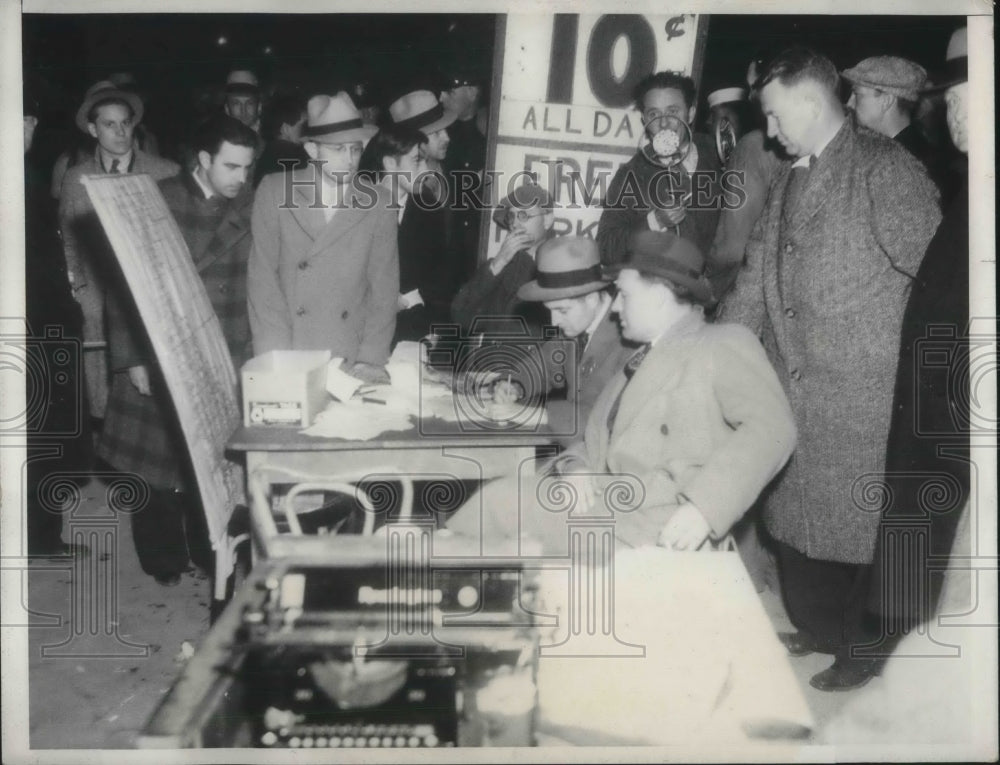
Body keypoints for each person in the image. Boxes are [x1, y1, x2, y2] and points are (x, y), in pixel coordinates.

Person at [719, 47, 942, 692]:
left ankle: (869, 650)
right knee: (801, 519)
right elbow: (757, 278)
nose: (769, 129)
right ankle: (819, 626)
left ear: (811, 104)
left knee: (864, 529)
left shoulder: (884, 170)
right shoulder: (791, 174)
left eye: (775, 114)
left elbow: (937, 281)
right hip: (797, 383)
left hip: (866, 393)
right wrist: (725, 353)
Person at [445, 230, 796, 556]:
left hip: (654, 525)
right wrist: (577, 468)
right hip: (611, 504)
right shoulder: (644, 355)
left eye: (624, 295)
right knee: (495, 502)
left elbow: (774, 428)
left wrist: (705, 508)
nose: (614, 307)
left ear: (659, 296)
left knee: (495, 510)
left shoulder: (722, 342)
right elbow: (595, 438)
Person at [96, 114, 257, 586]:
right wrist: (132, 359)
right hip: (160, 351)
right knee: (156, 468)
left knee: (213, 465)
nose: (241, 179)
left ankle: (212, 554)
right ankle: (162, 560)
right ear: (203, 160)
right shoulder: (156, 201)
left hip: (222, 346)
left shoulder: (251, 205)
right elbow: (120, 286)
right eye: (231, 166)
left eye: (247, 168)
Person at [866, 26, 971, 658]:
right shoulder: (969, 181)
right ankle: (898, 645)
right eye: (950, 96)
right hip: (933, 397)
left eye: (963, 94)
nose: (949, 108)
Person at [247, 92, 399, 384]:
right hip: (291, 349)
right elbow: (262, 281)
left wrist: (371, 357)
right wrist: (275, 358)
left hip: (349, 356)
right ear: (313, 151)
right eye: (338, 149)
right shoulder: (274, 190)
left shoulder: (379, 201)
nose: (350, 160)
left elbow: (384, 287)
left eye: (355, 149)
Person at [59, 80, 179, 424]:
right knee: (102, 393)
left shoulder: (166, 172)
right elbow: (68, 239)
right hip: (97, 298)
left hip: (150, 298)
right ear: (93, 130)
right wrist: (78, 289)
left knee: (151, 399)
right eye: (109, 125)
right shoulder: (76, 179)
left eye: (125, 122)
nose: (120, 132)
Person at [24, 86, 92, 558]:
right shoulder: (19, 179)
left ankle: (37, 535)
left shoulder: (24, 174)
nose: (29, 130)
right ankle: (40, 538)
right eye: (22, 121)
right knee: (43, 437)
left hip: (37, 326)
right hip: (37, 330)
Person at [501, 236, 637, 444]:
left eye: (562, 310)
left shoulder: (629, 341)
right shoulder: (574, 331)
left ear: (592, 299)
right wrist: (512, 385)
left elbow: (603, 424)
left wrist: (539, 415)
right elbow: (540, 367)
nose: (555, 322)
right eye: (551, 311)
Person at [597, 71, 722, 269]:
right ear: (644, 121)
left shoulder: (718, 156)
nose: (664, 123)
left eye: (673, 112)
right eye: (654, 114)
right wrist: (654, 221)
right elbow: (606, 248)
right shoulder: (631, 174)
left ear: (690, 114)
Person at [383, 90, 459, 343]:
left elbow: (440, 267)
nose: (447, 138)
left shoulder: (438, 184)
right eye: (436, 133)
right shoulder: (369, 196)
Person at [709, 58, 787, 304]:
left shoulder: (753, 148)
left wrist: (701, 291)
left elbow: (730, 250)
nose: (751, 95)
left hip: (744, 297)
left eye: (755, 87)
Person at [450, 182, 553, 336]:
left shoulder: (560, 265)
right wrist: (499, 263)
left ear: (547, 220)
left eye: (524, 215)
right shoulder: (501, 265)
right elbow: (461, 316)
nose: (516, 224)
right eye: (512, 216)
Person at [841, 56, 942, 178]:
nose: (849, 104)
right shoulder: (901, 152)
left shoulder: (908, 164)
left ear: (886, 101)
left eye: (857, 95)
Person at [254, 92, 309, 187]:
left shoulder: (268, 154)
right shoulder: (296, 157)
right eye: (303, 125)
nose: (306, 130)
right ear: (285, 129)